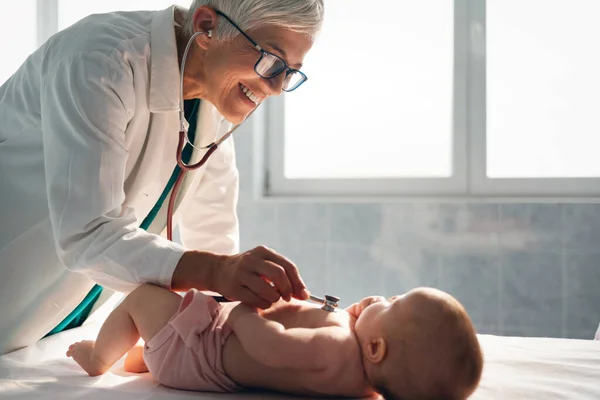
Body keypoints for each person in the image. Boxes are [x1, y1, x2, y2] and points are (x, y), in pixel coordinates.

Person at [0, 0, 324, 355]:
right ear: (206, 27)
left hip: (61, 323)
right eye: (271, 61)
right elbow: (87, 232)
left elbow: (214, 231)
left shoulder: (212, 104)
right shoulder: (99, 61)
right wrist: (219, 272)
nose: (276, 88)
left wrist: (239, 300)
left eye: (290, 72)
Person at [67, 285, 484, 399]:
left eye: (392, 304)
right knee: (155, 330)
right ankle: (142, 359)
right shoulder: (363, 383)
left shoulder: (339, 349)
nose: (382, 297)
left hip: (201, 348)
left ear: (376, 348)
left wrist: (247, 310)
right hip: (191, 359)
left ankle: (99, 356)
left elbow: (270, 346)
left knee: (144, 297)